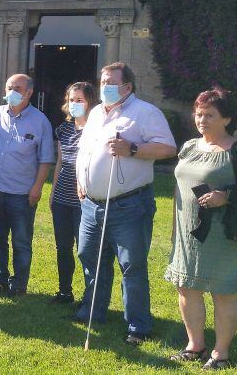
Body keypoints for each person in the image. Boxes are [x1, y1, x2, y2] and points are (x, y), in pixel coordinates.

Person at [165, 87, 237, 369]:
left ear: (226, 119)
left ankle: (220, 353)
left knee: (223, 292)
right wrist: (175, 228)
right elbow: (179, 188)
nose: (202, 120)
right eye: (198, 114)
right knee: (186, 287)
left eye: (209, 115)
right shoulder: (189, 147)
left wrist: (225, 197)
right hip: (188, 232)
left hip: (224, 233)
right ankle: (195, 345)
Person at [74, 61, 177, 345]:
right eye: (102, 81)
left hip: (129, 205)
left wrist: (132, 149)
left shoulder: (145, 112)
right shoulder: (95, 113)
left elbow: (168, 147)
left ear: (127, 87)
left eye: (110, 82)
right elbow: (85, 151)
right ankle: (93, 311)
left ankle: (138, 326)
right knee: (89, 257)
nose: (103, 86)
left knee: (131, 265)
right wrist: (81, 179)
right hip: (92, 204)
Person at [0, 73, 55, 296]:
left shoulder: (40, 121)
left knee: (21, 241)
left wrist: (37, 188)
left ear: (29, 92)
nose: (11, 92)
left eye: (17, 88)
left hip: (22, 193)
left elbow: (45, 159)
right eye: (8, 87)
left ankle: (19, 284)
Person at [48, 82, 97, 303]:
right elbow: (59, 162)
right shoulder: (63, 129)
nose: (74, 104)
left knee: (85, 250)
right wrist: (53, 192)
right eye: (71, 100)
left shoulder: (96, 130)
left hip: (84, 199)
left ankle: (91, 296)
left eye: (80, 100)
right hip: (62, 198)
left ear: (90, 103)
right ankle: (64, 290)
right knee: (63, 247)